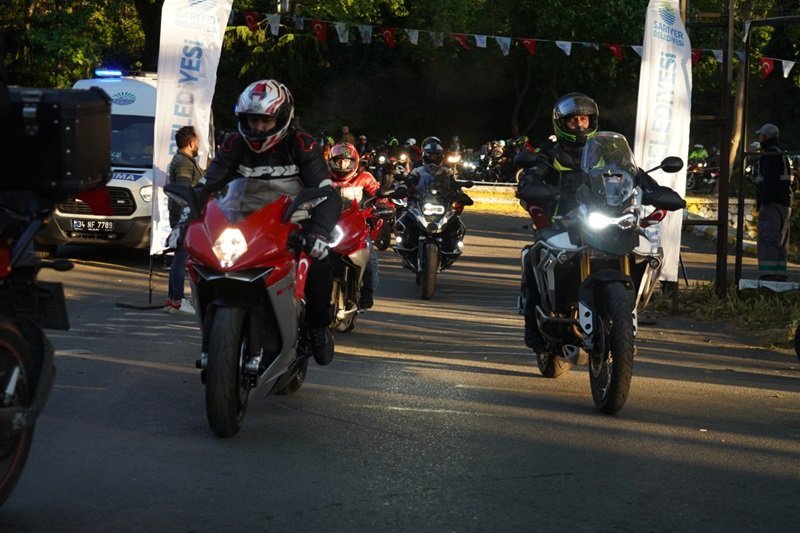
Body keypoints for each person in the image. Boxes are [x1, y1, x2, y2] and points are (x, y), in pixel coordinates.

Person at [197, 79, 342, 365]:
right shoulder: (234, 143)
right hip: (243, 225)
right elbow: (207, 184)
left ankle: (318, 326)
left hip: (292, 224)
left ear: (283, 117)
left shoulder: (302, 144)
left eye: (266, 120)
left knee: (319, 262)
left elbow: (328, 194)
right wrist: (184, 221)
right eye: (253, 120)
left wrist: (319, 234)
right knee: (207, 261)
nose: (259, 128)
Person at [515, 92, 600, 351]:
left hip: (599, 220)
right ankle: (532, 323)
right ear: (561, 123)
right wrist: (531, 185)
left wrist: (653, 188)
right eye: (573, 120)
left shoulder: (603, 151)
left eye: (584, 119)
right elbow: (532, 174)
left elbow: (631, 173)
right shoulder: (549, 152)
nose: (580, 125)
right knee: (533, 255)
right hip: (559, 224)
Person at [328, 142, 382, 309]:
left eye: (346, 161)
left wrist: (383, 204)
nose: (342, 165)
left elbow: (379, 194)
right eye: (338, 161)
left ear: (354, 161)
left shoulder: (365, 177)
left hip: (356, 225)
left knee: (370, 257)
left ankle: (368, 291)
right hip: (329, 223)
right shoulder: (323, 177)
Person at [164, 125, 203, 315]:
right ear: (191, 143)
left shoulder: (183, 160)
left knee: (178, 258)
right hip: (185, 216)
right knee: (181, 258)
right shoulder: (184, 164)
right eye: (198, 142)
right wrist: (186, 219)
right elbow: (185, 192)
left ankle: (172, 300)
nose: (199, 146)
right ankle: (178, 300)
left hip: (182, 216)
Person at [754, 123, 792, 281]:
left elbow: (769, 180)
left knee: (768, 237)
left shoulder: (770, 154)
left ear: (765, 137)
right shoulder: (781, 152)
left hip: (772, 203)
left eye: (760, 136)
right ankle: (779, 273)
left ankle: (768, 275)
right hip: (784, 202)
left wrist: (764, 200)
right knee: (781, 238)